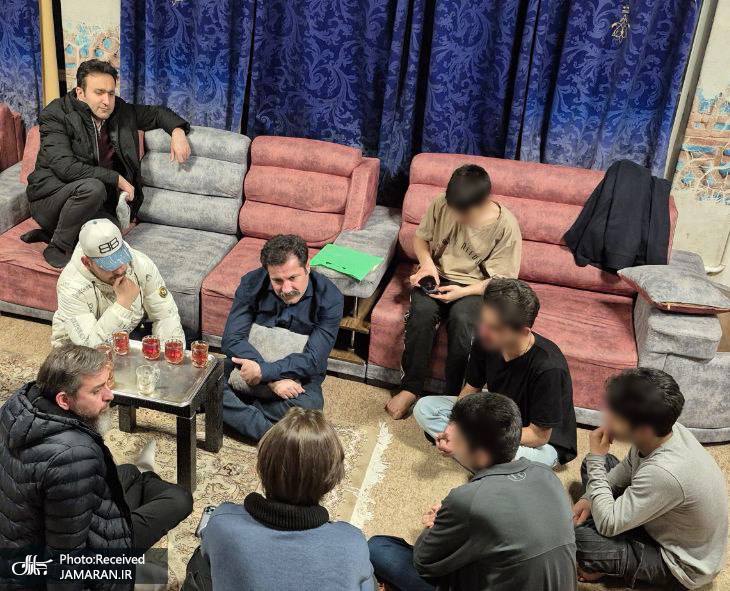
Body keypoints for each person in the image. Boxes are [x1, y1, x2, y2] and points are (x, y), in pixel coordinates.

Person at [0, 345, 193, 587]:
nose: (109, 395)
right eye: (97, 390)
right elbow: (65, 561)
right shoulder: (73, 456)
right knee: (180, 498)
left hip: (24, 540)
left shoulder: (18, 405)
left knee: (130, 472)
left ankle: (139, 484)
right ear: (64, 400)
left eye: (107, 384)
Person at [369, 393, 576, 590]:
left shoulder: (467, 499)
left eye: (457, 442)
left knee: (378, 548)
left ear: (480, 455)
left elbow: (423, 562)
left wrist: (435, 524)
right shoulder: (546, 475)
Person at [24, 59, 191, 267]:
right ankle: (58, 246)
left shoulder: (119, 111)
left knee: (112, 234)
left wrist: (177, 131)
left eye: (111, 93)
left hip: (93, 204)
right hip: (49, 198)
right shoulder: (56, 114)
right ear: (80, 92)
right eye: (99, 93)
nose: (107, 101)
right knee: (93, 188)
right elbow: (65, 168)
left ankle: (52, 234)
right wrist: (116, 179)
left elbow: (157, 113)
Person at [386, 164, 522, 420]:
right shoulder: (441, 203)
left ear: (483, 202)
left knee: (462, 323)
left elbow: (502, 281)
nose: (457, 217)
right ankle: (410, 388)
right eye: (454, 209)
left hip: (475, 287)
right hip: (436, 275)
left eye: (464, 213)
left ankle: (452, 396)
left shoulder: (506, 226)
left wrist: (461, 293)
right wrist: (427, 264)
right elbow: (421, 238)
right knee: (421, 314)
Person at [573, 368, 728, 590]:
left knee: (580, 539)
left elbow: (608, 524)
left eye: (614, 415)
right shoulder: (665, 430)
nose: (606, 418)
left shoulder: (664, 472)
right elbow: (628, 467)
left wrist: (597, 459)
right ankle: (605, 519)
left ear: (643, 430)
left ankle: (614, 565)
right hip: (660, 515)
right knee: (595, 467)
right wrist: (588, 498)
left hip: (679, 563)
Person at [199, 407, 375, 590]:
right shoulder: (352, 542)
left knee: (203, 556)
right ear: (332, 479)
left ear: (262, 465)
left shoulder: (223, 522)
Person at [413, 278, 576, 467]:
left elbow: (539, 436)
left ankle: (474, 455)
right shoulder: (486, 340)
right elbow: (471, 390)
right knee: (424, 408)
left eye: (494, 328)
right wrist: (454, 426)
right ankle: (479, 459)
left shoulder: (549, 368)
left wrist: (481, 436)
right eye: (483, 322)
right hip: (499, 418)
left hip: (541, 443)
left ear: (524, 332)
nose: (483, 331)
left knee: (511, 457)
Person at [221, 234, 344, 442]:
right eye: (277, 281)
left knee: (310, 408)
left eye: (293, 278)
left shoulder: (330, 297)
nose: (286, 289)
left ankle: (234, 415)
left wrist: (264, 373)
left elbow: (313, 360)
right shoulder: (251, 283)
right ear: (267, 272)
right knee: (202, 379)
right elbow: (232, 339)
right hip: (248, 365)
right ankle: (273, 435)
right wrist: (272, 380)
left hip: (298, 375)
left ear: (307, 267)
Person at [51, 218, 186, 348]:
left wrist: (167, 355)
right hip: (77, 351)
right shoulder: (70, 287)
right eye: (109, 264)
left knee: (178, 341)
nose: (121, 269)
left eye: (121, 257)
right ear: (87, 262)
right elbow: (89, 348)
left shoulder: (141, 264)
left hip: (127, 333)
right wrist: (123, 304)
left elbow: (165, 315)